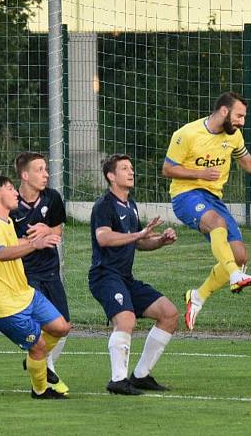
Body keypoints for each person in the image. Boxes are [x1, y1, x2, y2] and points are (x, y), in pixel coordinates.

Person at [162, 92, 251, 330]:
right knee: (216, 223)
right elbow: (168, 169)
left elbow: (248, 163)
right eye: (239, 116)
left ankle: (198, 296)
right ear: (224, 111)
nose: (242, 121)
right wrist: (199, 174)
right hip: (185, 196)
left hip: (214, 198)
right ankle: (235, 275)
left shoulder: (233, 137)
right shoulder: (187, 134)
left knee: (240, 256)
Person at [89, 154, 179, 395]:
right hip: (104, 276)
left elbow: (138, 243)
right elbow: (104, 238)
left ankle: (140, 376)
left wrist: (160, 241)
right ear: (111, 176)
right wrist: (139, 235)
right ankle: (117, 381)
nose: (131, 172)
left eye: (131, 168)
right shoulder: (104, 205)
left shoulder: (131, 205)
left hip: (125, 278)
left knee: (169, 314)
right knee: (126, 320)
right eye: (124, 168)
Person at [0, 175, 71, 399]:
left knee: (61, 327)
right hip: (3, 305)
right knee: (38, 345)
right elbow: (3, 253)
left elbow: (14, 243)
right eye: (10, 189)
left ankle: (34, 360)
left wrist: (43, 235)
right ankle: (40, 390)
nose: (16, 193)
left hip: (24, 295)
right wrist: (35, 245)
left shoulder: (7, 222)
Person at [10, 152, 70, 395]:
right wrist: (28, 241)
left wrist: (48, 229)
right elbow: (4, 244)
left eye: (46, 169)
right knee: (41, 325)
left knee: (63, 325)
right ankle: (44, 369)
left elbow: (57, 231)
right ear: (25, 175)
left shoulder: (52, 198)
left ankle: (36, 358)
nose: (46, 174)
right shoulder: (10, 203)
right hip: (25, 274)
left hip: (51, 272)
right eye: (40, 169)